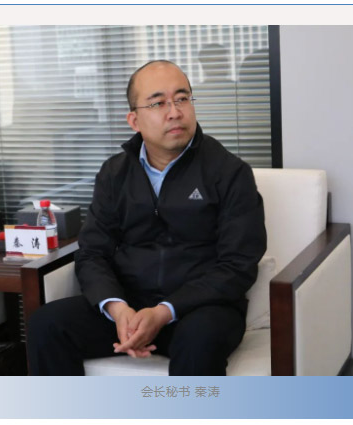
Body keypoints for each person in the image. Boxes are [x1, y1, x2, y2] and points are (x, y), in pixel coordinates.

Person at [26, 60, 267, 376]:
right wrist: (117, 308)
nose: (174, 112)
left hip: (202, 308)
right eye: (158, 103)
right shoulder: (114, 173)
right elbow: (92, 253)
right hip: (131, 305)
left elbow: (238, 264)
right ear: (134, 120)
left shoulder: (229, 173)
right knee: (46, 324)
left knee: (200, 340)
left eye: (182, 98)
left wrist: (165, 311)